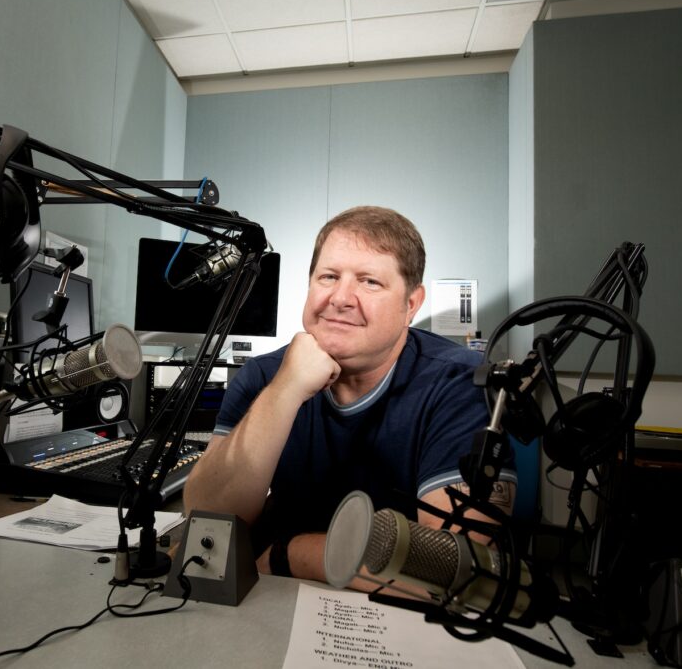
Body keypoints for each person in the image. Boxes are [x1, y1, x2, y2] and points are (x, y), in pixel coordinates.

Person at [182, 206, 516, 585]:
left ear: (411, 304)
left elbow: (457, 569)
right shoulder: (265, 376)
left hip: (393, 618)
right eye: (328, 276)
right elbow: (207, 519)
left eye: (369, 282)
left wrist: (291, 553)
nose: (340, 298)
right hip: (271, 603)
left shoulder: (457, 384)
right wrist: (286, 389)